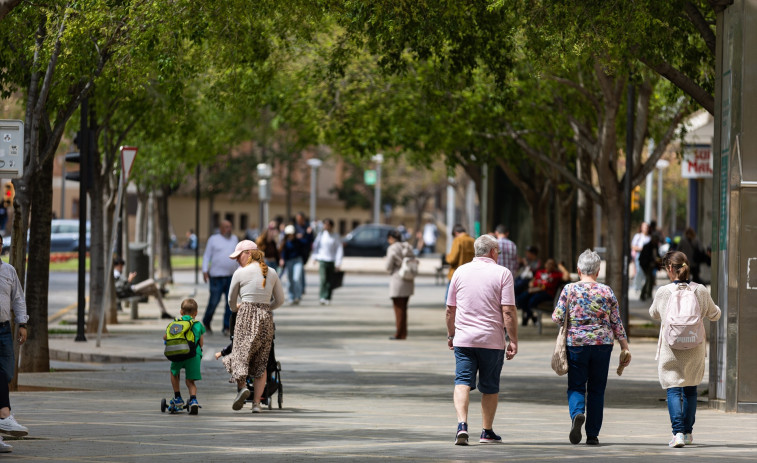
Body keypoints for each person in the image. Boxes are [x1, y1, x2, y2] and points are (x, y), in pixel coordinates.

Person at [552, 249, 631, 446]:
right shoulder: (606, 291)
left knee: (577, 385)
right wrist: (624, 346)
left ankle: (578, 413)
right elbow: (616, 321)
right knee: (597, 389)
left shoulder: (569, 290)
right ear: (597, 271)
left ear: (578, 270)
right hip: (603, 344)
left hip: (576, 344)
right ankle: (593, 434)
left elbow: (557, 317)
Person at [446, 234, 518, 446]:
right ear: (493, 252)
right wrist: (513, 339)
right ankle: (486, 432)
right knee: (490, 386)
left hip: (464, 340)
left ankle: (462, 426)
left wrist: (451, 334)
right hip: (491, 341)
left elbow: (450, 309)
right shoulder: (503, 273)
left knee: (462, 382)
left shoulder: (460, 271)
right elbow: (508, 311)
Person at [649, 251, 721, 448]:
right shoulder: (700, 291)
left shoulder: (664, 292)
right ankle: (688, 433)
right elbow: (715, 314)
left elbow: (653, 313)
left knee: (673, 389)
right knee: (690, 389)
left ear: (670, 269)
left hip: (671, 348)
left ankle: (677, 433)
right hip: (694, 346)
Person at [223, 240, 284, 413]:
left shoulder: (240, 273)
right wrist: (265, 308)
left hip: (245, 317)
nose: (236, 260)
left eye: (238, 256)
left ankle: (242, 388)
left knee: (239, 356)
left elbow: (230, 301)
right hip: (266, 318)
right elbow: (280, 300)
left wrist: (237, 308)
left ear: (248, 253)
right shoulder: (271, 272)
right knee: (261, 362)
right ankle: (257, 404)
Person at [0, 234, 29, 452]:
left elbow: (18, 298)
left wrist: (22, 324)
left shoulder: (8, 271)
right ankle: (5, 413)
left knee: (6, 373)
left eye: (0, 244)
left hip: (3, 329)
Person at [163, 298, 205, 415]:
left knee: (174, 372)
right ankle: (193, 400)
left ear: (181, 312)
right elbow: (201, 344)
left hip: (178, 354)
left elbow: (165, 337)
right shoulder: (198, 325)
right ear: (196, 313)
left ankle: (177, 398)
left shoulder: (175, 324)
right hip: (193, 355)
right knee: (190, 382)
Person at [202, 220, 239, 335]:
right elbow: (207, 255)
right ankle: (206, 322)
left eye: (230, 227)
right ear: (221, 228)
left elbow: (238, 256)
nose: (229, 229)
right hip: (216, 277)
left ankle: (227, 327)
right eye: (227, 227)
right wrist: (204, 270)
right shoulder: (213, 239)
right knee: (214, 302)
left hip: (231, 276)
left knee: (230, 303)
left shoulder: (234, 239)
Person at [516, 258, 570, 326]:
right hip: (534, 291)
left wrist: (561, 266)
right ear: (545, 264)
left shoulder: (556, 274)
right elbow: (532, 282)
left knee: (531, 301)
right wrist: (531, 284)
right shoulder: (540, 272)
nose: (549, 265)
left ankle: (531, 317)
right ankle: (532, 317)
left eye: (552, 264)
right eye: (548, 263)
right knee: (520, 299)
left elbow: (567, 277)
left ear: (554, 266)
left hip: (546, 293)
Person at [385, 229, 416, 340]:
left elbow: (388, 266)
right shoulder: (408, 247)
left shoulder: (392, 248)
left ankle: (399, 333)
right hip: (408, 280)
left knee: (398, 309)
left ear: (392, 238)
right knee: (404, 309)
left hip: (397, 280)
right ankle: (403, 332)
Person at [312, 218, 343, 305]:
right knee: (323, 279)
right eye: (325, 225)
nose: (326, 226)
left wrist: (338, 263)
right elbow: (316, 246)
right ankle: (322, 297)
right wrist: (314, 257)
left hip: (331, 260)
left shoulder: (335, 236)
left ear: (331, 226)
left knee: (330, 280)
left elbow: (339, 249)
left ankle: (328, 297)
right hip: (322, 260)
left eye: (328, 225)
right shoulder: (321, 235)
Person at [279, 224, 308, 304]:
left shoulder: (298, 241)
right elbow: (283, 252)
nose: (290, 236)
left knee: (297, 278)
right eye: (289, 234)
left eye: (292, 234)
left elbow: (307, 243)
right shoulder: (285, 242)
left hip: (298, 261)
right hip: (289, 262)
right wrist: (282, 260)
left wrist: (307, 233)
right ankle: (291, 297)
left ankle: (298, 296)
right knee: (290, 280)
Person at [445, 224, 475, 292]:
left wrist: (447, 257)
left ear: (456, 233)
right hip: (469, 275)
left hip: (456, 274)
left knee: (450, 300)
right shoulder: (473, 240)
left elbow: (452, 259)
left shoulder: (457, 240)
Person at [294, 212, 314, 292]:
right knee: (300, 270)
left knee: (301, 270)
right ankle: (301, 288)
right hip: (296, 251)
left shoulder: (308, 227)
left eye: (300, 219)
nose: (298, 220)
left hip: (304, 252)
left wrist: (306, 234)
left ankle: (302, 288)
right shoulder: (295, 227)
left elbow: (310, 240)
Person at [639, 234, 661, 301]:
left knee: (651, 279)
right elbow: (646, 257)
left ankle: (647, 294)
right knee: (648, 279)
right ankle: (645, 295)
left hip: (652, 265)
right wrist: (653, 260)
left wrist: (658, 260)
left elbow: (657, 255)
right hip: (646, 265)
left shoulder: (655, 246)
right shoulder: (647, 246)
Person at [631, 222, 650, 291]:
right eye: (644, 227)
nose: (646, 228)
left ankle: (644, 288)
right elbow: (633, 246)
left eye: (647, 227)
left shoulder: (649, 237)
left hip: (647, 257)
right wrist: (642, 248)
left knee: (646, 273)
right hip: (639, 256)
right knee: (639, 271)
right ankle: (637, 287)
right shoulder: (638, 236)